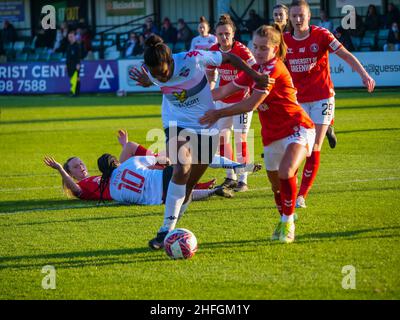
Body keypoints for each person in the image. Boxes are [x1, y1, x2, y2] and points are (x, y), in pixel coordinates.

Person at [128, 34, 270, 249]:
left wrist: (255, 75)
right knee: (181, 168)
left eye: (163, 73)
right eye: (156, 75)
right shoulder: (153, 70)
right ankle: (164, 231)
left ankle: (173, 225)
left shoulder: (193, 58)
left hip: (206, 123)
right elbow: (154, 77)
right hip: (176, 123)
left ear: (171, 62)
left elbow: (230, 58)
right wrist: (150, 80)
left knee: (189, 186)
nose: (162, 78)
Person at [200, 24, 315, 243]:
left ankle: (287, 224)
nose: (258, 52)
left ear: (275, 49)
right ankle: (285, 216)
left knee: (286, 171)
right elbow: (224, 90)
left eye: (263, 48)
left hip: (297, 126)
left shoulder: (273, 69)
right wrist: (192, 99)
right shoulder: (254, 71)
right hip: (272, 134)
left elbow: (251, 104)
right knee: (275, 185)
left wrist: (218, 112)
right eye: (255, 47)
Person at [283, 0, 375, 209]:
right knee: (297, 147)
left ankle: (300, 196)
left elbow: (345, 55)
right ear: (290, 18)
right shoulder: (284, 40)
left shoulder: (322, 35)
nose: (298, 20)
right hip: (297, 100)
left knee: (314, 146)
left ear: (309, 17)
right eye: (294, 16)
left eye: (302, 16)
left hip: (322, 97)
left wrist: (364, 74)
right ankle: (291, 188)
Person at [43, 130, 237, 204]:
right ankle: (219, 178)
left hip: (141, 187)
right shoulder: (86, 186)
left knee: (135, 149)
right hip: (143, 183)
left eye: (81, 163)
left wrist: (124, 146)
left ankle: (212, 185)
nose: (82, 167)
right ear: (70, 174)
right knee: (177, 167)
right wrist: (60, 169)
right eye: (76, 167)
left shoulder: (106, 183)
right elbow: (76, 191)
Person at [206, 14, 257, 192]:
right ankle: (230, 177)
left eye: (227, 34)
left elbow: (255, 70)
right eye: (220, 34)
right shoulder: (213, 50)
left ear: (233, 34)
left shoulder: (242, 51)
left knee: (240, 139)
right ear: (216, 35)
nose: (224, 37)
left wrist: (252, 92)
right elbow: (210, 74)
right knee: (222, 138)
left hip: (242, 102)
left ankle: (243, 179)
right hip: (222, 101)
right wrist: (210, 90)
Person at [66, 30, 82, 97]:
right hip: (69, 65)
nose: (70, 38)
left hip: (75, 65)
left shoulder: (77, 46)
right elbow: (67, 57)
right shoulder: (69, 46)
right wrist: (66, 65)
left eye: (72, 36)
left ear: (74, 37)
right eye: (69, 37)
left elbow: (79, 56)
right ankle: (73, 91)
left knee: (76, 78)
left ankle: (77, 93)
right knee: (71, 79)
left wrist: (78, 64)